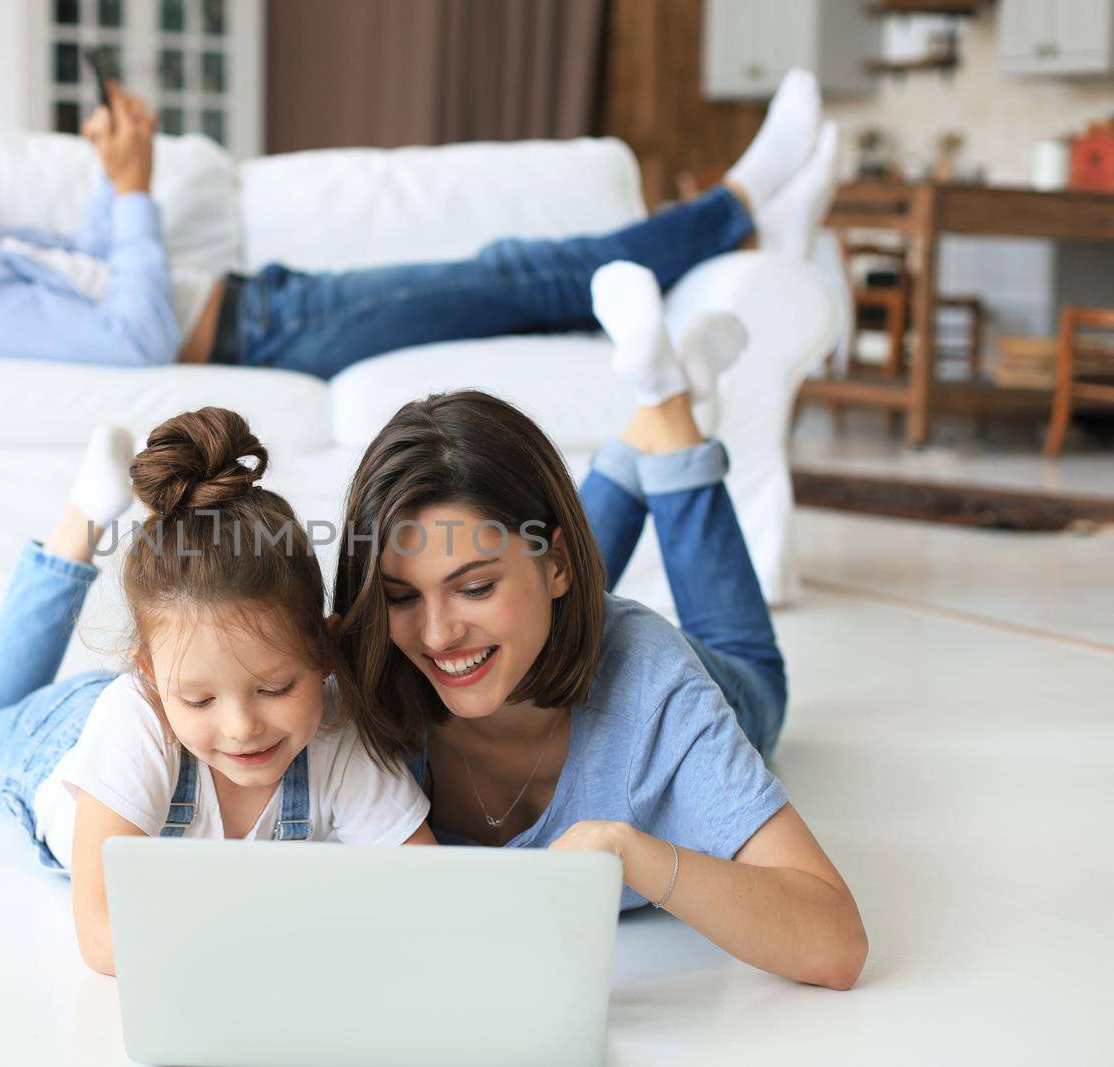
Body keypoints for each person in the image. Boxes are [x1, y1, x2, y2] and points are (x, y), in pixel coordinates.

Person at [328, 261, 868, 990]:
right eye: (400, 595)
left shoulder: (656, 688)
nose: (434, 633)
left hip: (715, 675)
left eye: (472, 586)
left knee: (749, 663)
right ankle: (654, 403)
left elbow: (836, 942)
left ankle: (668, 406)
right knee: (513, 598)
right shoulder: (367, 665)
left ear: (558, 565)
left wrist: (635, 852)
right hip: (543, 611)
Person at [0, 71, 839, 380]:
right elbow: (133, 340)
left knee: (520, 287)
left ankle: (751, 233)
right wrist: (141, 194)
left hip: (269, 304)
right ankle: (740, 203)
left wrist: (118, 175)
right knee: (521, 274)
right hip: (271, 334)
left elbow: (103, 280)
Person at [0, 409, 434, 976]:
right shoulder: (133, 721)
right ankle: (80, 522)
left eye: (275, 687)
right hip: (64, 740)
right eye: (204, 701)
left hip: (170, 696)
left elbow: (424, 890)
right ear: (150, 675)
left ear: (324, 651)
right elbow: (102, 936)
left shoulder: (337, 732)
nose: (242, 726)